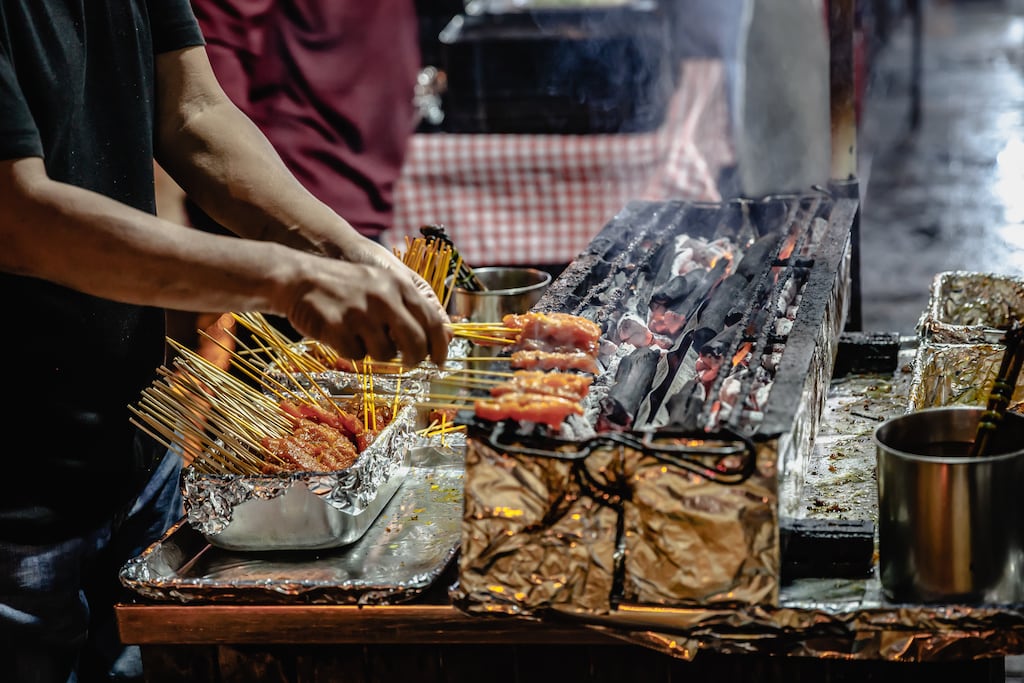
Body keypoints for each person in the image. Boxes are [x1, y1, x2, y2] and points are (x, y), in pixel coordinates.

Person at [0, 2, 449, 681]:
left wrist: (345, 250)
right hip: (18, 490)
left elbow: (193, 111)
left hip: (133, 440)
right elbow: (17, 217)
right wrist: (286, 278)